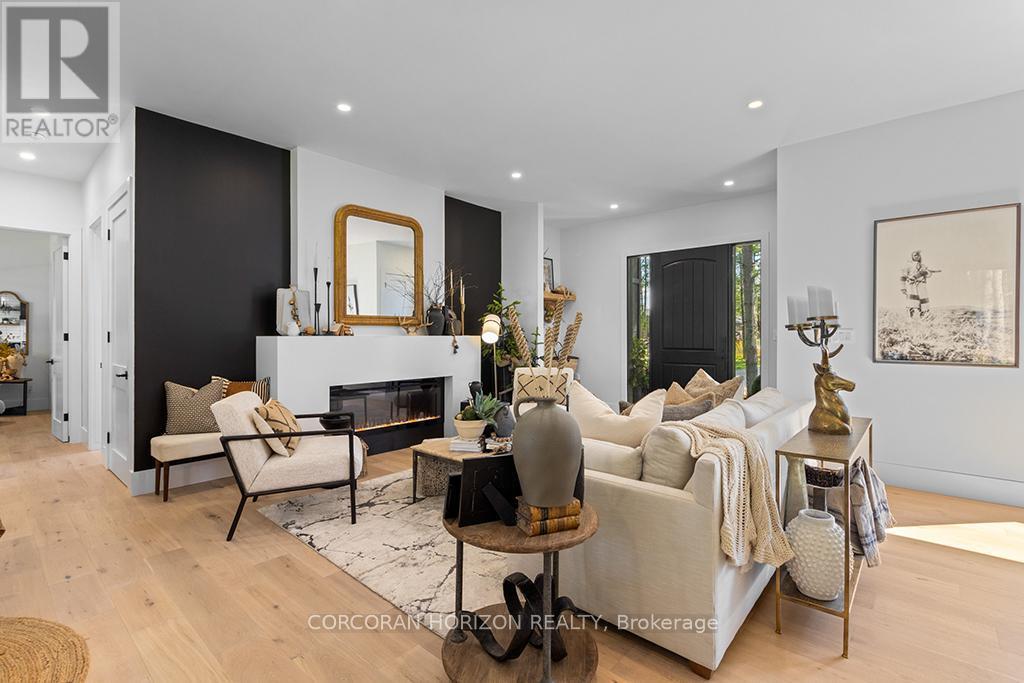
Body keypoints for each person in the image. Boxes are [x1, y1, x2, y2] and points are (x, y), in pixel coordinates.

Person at [900, 250, 940, 318]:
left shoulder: (923, 266)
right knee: (912, 303)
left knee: (924, 305)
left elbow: (928, 274)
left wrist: (925, 272)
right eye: (915, 255)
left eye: (918, 255)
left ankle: (924, 319)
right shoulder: (908, 265)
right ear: (912, 256)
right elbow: (903, 277)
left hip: (921, 285)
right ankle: (910, 319)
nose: (917, 256)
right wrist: (903, 287)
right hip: (912, 286)